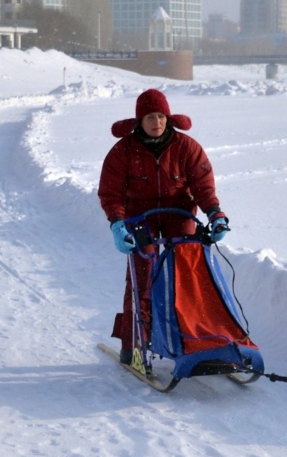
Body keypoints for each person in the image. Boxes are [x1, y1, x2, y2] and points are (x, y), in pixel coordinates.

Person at [98, 88, 229, 364]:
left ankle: (193, 338)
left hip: (178, 213)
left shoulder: (187, 147)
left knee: (186, 275)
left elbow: (203, 186)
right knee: (141, 275)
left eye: (160, 116)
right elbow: (110, 192)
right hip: (139, 217)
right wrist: (117, 224)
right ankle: (134, 341)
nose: (156, 122)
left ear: (168, 118)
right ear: (139, 122)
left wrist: (215, 214)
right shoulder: (123, 151)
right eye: (149, 118)